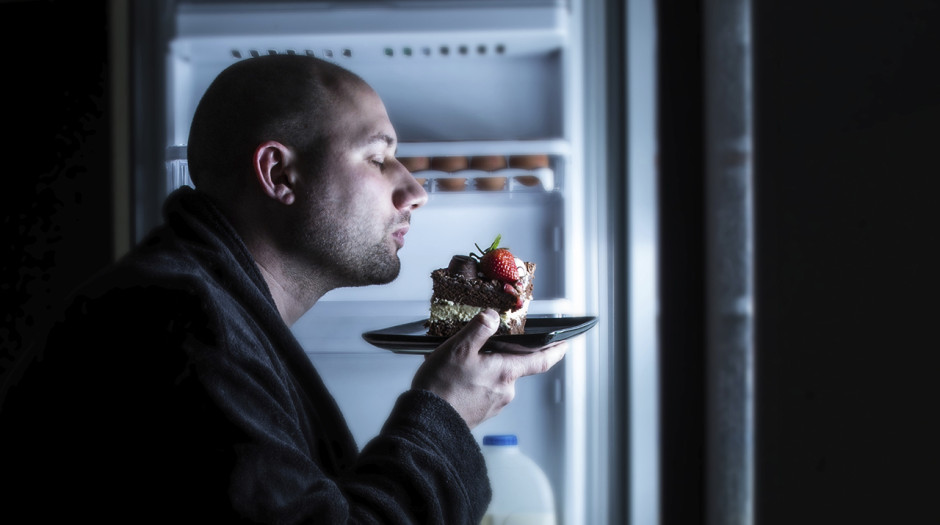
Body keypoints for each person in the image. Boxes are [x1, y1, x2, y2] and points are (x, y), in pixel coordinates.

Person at [0, 55, 566, 523]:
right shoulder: (181, 326)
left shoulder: (199, 304)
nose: (415, 190)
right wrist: (446, 412)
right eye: (377, 157)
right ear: (278, 174)